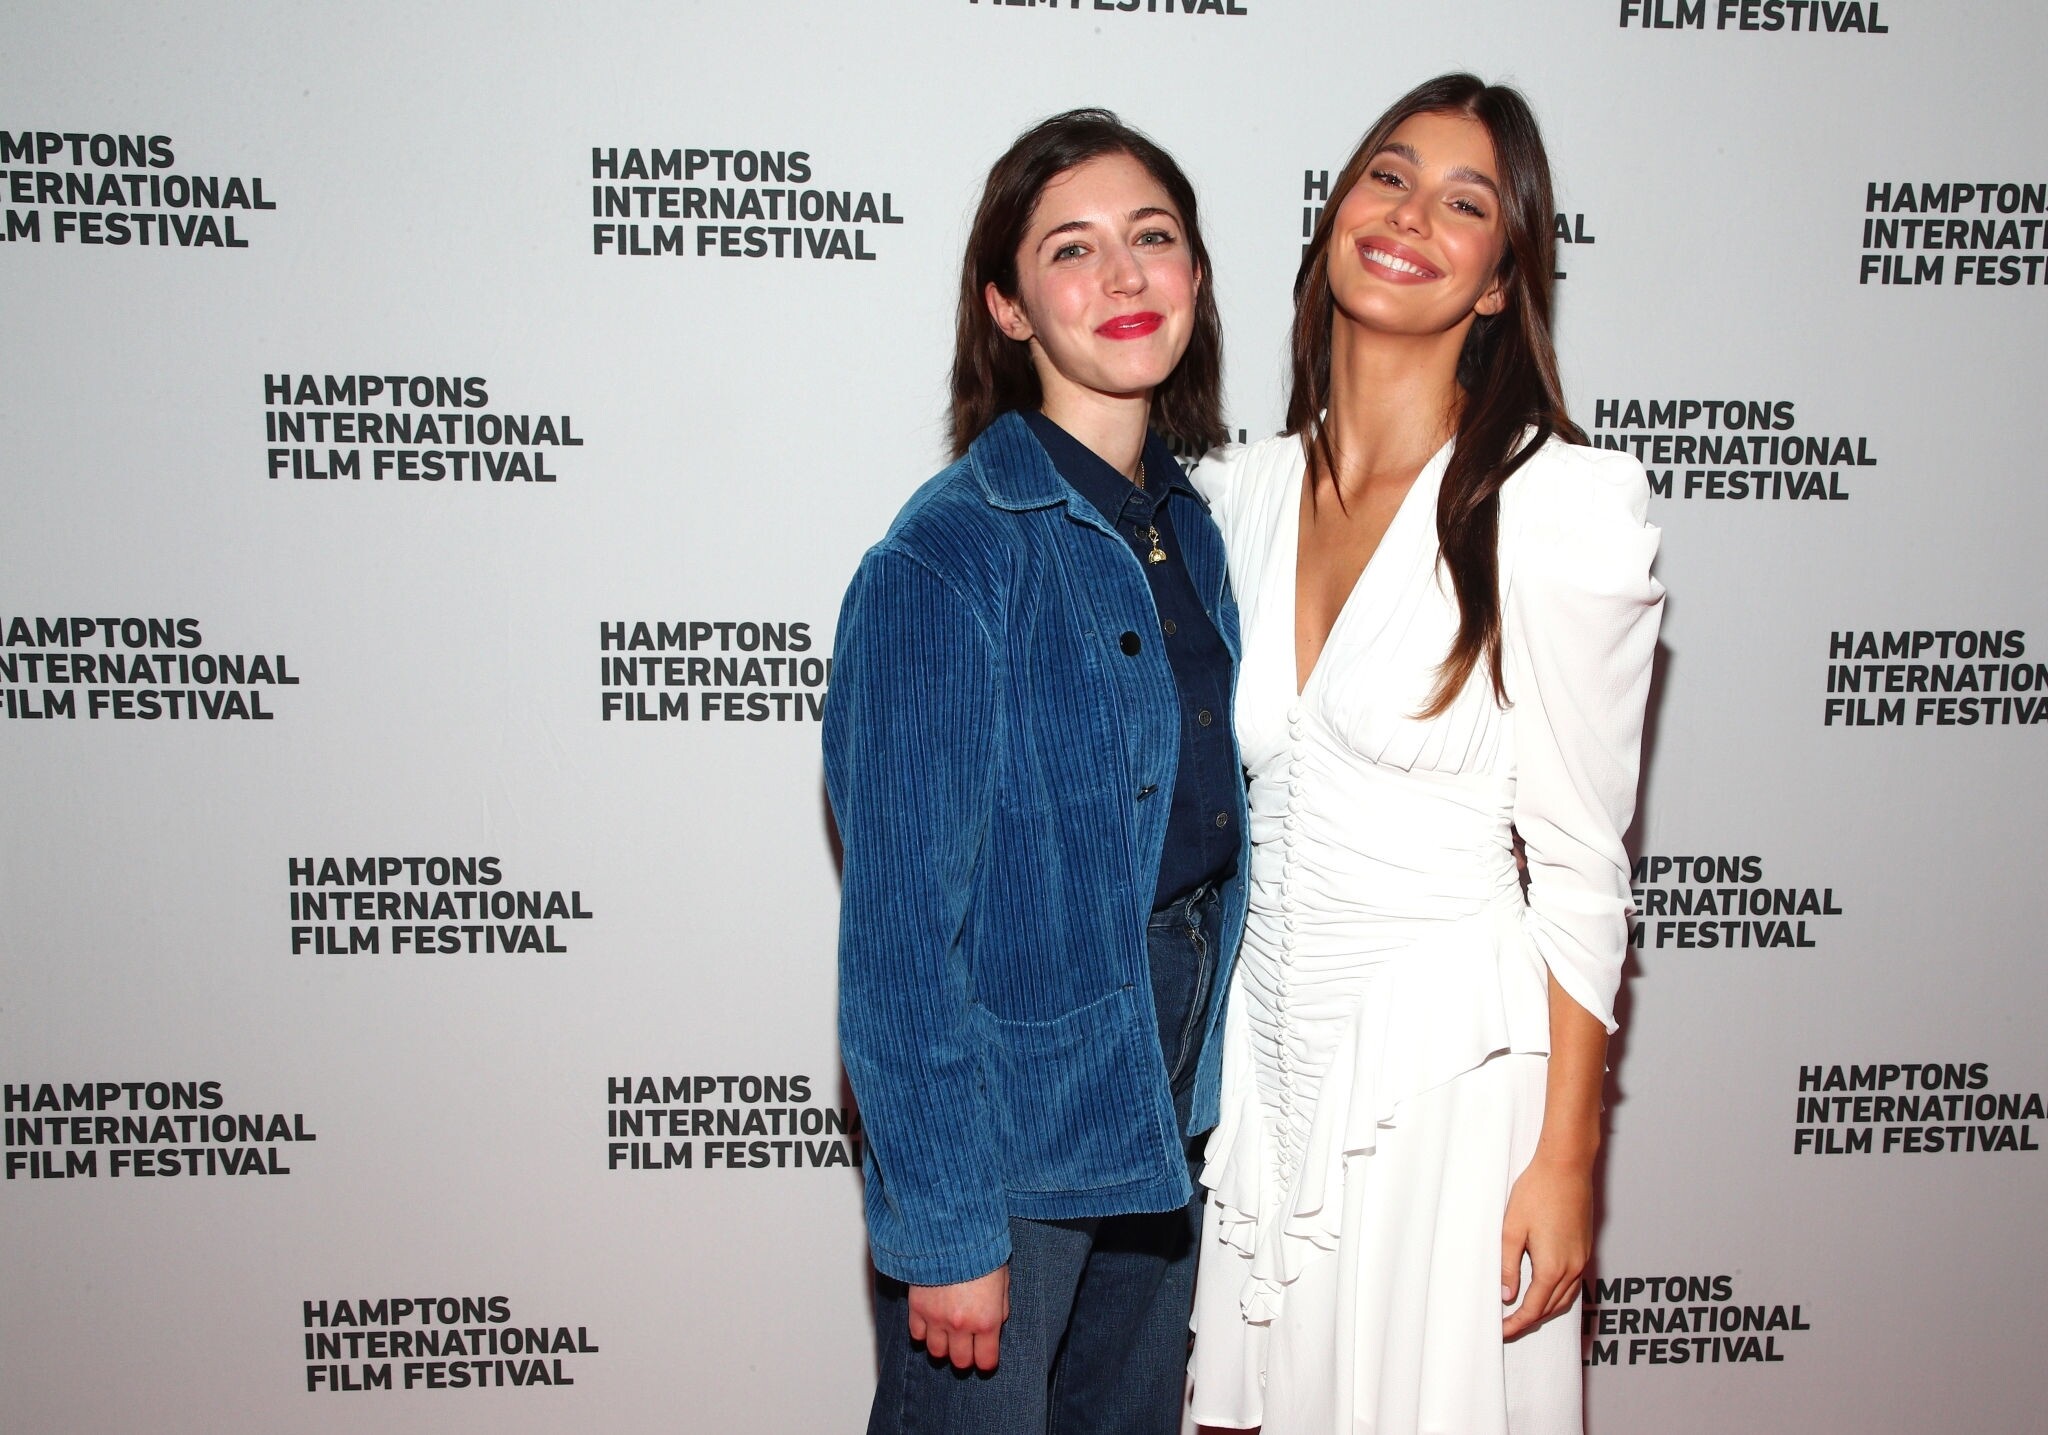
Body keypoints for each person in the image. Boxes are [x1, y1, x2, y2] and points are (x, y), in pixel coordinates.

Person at [1185, 75, 1664, 1435]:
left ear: (1503, 281)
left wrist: (1566, 1158)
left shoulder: (1555, 505)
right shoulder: (1229, 497)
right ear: (1336, 213)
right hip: (1267, 1069)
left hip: (1450, 1080)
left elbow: (1580, 866)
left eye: (1466, 204)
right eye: (1388, 176)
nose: (1409, 216)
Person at [825, 108, 1249, 1435]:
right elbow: (899, 937)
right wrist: (946, 1224)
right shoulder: (948, 559)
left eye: (1153, 238)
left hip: (1173, 1103)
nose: (1123, 276)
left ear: (1196, 278)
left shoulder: (1200, 529)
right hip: (1008, 1140)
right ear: (1008, 308)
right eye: (1072, 249)